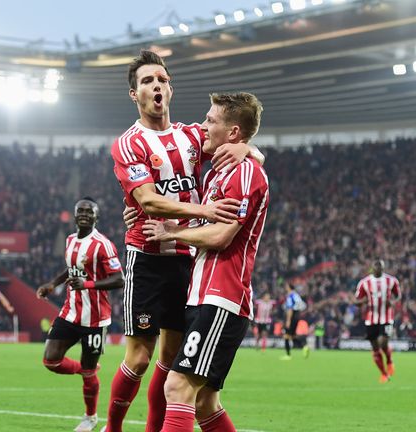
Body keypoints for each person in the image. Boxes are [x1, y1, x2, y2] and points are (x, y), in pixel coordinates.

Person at [105, 50, 264, 432]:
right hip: (146, 257)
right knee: (140, 358)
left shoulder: (192, 136)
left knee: (173, 359)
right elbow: (146, 199)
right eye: (147, 81)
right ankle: (111, 427)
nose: (156, 85)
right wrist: (205, 212)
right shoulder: (129, 143)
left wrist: (249, 149)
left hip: (187, 260)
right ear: (134, 95)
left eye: (162, 79)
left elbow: (242, 148)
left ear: (170, 89)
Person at [142, 91, 268, 432]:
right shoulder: (216, 174)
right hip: (204, 295)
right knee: (204, 403)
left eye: (211, 120)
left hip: (222, 297)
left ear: (233, 134)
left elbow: (219, 236)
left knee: (177, 387)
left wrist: (172, 233)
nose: (203, 125)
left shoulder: (244, 173)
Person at [36, 198, 125, 432]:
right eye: (81, 211)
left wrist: (88, 284)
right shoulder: (70, 240)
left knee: (87, 371)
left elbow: (119, 280)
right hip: (69, 313)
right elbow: (70, 268)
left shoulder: (103, 245)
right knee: (50, 360)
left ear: (97, 217)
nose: (84, 214)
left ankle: (90, 417)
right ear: (75, 215)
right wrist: (53, 284)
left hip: (95, 319)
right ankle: (87, 370)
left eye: (89, 211)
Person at [352, 260, 400, 383]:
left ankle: (389, 360)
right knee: (375, 348)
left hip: (387, 318)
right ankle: (384, 374)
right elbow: (356, 300)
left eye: (380, 266)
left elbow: (398, 295)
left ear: (383, 268)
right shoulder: (364, 283)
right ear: (372, 268)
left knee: (383, 342)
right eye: (376, 266)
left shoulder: (391, 281)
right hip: (371, 319)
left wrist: (393, 302)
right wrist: (362, 302)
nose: (378, 268)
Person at [280, 283, 308, 360]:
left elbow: (290, 308)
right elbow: (303, 306)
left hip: (291, 316)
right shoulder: (296, 295)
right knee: (292, 335)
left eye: (286, 286)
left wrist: (288, 320)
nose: (285, 287)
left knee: (286, 336)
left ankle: (288, 355)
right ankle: (304, 346)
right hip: (297, 315)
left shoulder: (290, 295)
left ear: (289, 287)